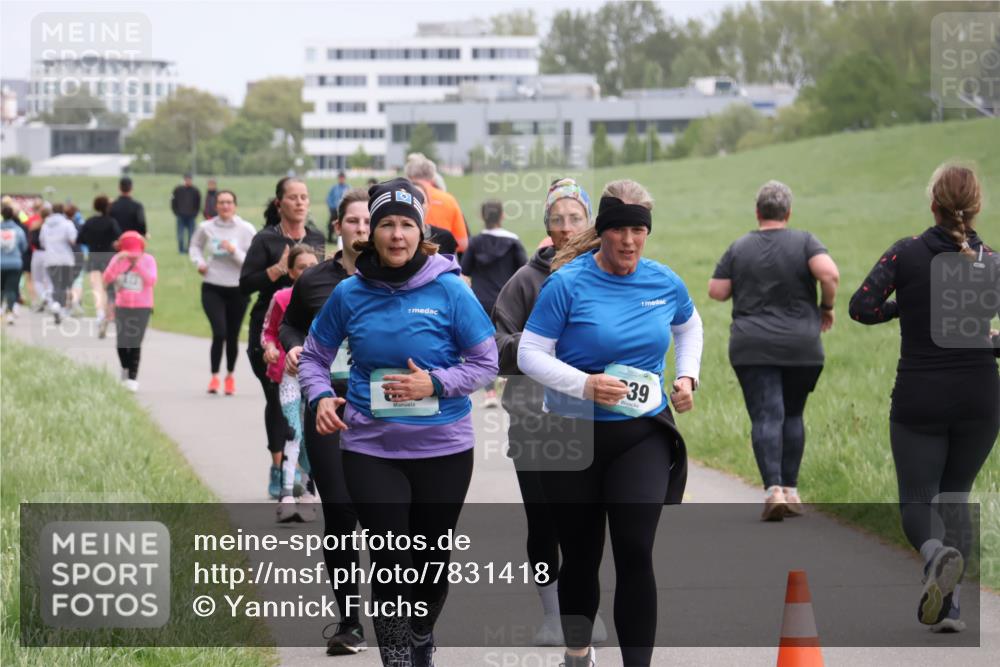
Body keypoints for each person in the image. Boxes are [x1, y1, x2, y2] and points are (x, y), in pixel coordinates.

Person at [298, 178, 498, 666]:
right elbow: (313, 357)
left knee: (430, 563)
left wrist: (435, 383)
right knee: (389, 561)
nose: (396, 235)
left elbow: (485, 362)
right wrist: (321, 396)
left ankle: (422, 634)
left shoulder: (450, 291)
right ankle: (397, 660)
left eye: (406, 225)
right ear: (372, 233)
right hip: (371, 446)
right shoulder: (349, 293)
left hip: (444, 448)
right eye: (386, 224)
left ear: (421, 231)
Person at [517, 179, 703, 667]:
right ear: (602, 232)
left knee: (635, 549)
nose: (629, 241)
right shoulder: (567, 283)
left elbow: (689, 324)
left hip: (641, 434)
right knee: (580, 557)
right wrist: (585, 385)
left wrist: (686, 375)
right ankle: (577, 654)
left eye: (638, 231)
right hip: (571, 433)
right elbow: (531, 353)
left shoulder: (663, 281)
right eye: (619, 230)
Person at [849, 163, 999, 633]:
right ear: (976, 208)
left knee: (918, 498)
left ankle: (935, 556)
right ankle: (951, 609)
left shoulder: (906, 254)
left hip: (920, 396)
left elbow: (862, 308)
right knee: (956, 496)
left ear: (932, 204)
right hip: (980, 397)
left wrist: (907, 308)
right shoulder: (991, 260)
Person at [492, 177, 599, 646]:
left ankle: (585, 612)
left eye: (575, 218)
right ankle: (552, 614)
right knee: (544, 519)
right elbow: (495, 347)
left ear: (589, 223)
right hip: (533, 417)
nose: (566, 226)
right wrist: (543, 350)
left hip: (592, 418)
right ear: (546, 226)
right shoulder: (523, 281)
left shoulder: (605, 274)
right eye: (557, 219)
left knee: (587, 520)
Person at [707, 180, 840, 521]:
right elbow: (829, 274)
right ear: (788, 213)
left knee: (767, 415)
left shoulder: (740, 246)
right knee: (793, 415)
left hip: (753, 345)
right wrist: (826, 307)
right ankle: (792, 492)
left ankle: (773, 491)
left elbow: (717, 291)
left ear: (757, 212)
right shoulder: (805, 241)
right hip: (802, 345)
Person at [279, 186, 370, 655]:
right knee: (339, 508)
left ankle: (401, 608)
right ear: (338, 227)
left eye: (368, 221)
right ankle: (349, 621)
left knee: (385, 513)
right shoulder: (314, 280)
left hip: (383, 407)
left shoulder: (394, 279)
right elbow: (289, 323)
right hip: (328, 403)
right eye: (353, 221)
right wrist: (294, 345)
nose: (362, 229)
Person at [240, 177, 325, 499]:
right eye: (293, 197)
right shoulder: (265, 240)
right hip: (269, 332)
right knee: (278, 403)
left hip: (307, 333)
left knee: (307, 404)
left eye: (304, 196)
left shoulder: (316, 238)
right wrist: (276, 270)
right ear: (280, 203)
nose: (300, 202)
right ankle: (278, 469)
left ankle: (302, 470)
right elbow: (245, 284)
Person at [261, 245, 319, 521]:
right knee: (292, 432)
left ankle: (308, 492)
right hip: (289, 375)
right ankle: (286, 496)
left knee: (311, 436)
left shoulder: (328, 298)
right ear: (292, 272)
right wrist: (270, 348)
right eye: (302, 267)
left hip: (320, 376)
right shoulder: (281, 298)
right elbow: (269, 332)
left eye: (313, 266)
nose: (308, 272)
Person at [190, 190, 256, 395]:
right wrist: (199, 262)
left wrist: (233, 251)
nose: (225, 206)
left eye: (229, 202)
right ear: (216, 206)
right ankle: (214, 377)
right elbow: (194, 246)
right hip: (213, 285)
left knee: (233, 335)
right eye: (221, 202)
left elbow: (252, 261)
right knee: (219, 332)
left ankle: (229, 376)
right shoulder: (206, 227)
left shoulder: (245, 229)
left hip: (238, 288)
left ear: (235, 206)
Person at [463, 199, 527, 408]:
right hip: (509, 303)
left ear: (482, 217)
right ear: (502, 216)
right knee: (509, 341)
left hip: (481, 301)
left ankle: (490, 392)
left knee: (484, 346)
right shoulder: (514, 242)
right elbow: (525, 272)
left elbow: (465, 272)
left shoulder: (474, 243)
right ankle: (508, 381)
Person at [103, 231, 157, 392]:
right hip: (122, 306)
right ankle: (125, 368)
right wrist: (118, 261)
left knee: (135, 342)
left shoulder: (148, 260)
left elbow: (151, 280)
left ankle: (132, 378)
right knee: (121, 342)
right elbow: (106, 279)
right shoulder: (118, 260)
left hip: (143, 307)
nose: (132, 255)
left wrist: (138, 264)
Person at [404, 153, 468, 254]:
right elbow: (462, 243)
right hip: (442, 257)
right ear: (432, 176)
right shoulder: (449, 199)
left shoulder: (402, 197)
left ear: (408, 175)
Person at [78, 195, 122, 338]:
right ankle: (110, 314)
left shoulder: (89, 222)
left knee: (97, 288)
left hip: (94, 256)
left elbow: (80, 239)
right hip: (109, 257)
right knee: (111, 289)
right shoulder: (111, 222)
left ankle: (100, 313)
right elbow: (119, 239)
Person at [39, 203, 78, 324]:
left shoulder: (45, 225)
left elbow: (42, 242)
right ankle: (59, 307)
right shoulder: (67, 224)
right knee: (65, 285)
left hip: (51, 259)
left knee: (56, 284)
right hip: (65, 258)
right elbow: (73, 240)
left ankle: (56, 305)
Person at [1, 205, 28, 325]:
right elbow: (24, 247)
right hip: (15, 263)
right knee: (11, 289)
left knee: (1, 288)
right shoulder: (18, 230)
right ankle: (10, 313)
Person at [172, 173, 201, 253]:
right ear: (184, 180)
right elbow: (173, 201)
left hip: (191, 217)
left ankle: (189, 250)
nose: (188, 181)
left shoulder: (195, 191)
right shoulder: (178, 190)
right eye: (186, 179)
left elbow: (198, 203)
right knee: (180, 235)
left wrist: (195, 213)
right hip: (180, 216)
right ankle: (181, 250)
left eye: (189, 179)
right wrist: (176, 212)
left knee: (191, 235)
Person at [326, 171, 349, 242]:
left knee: (343, 224)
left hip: (343, 210)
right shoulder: (334, 188)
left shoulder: (348, 188)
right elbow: (329, 198)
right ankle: (330, 238)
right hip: (334, 209)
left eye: (342, 178)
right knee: (331, 224)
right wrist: (331, 207)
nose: (341, 179)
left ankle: (341, 239)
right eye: (340, 178)